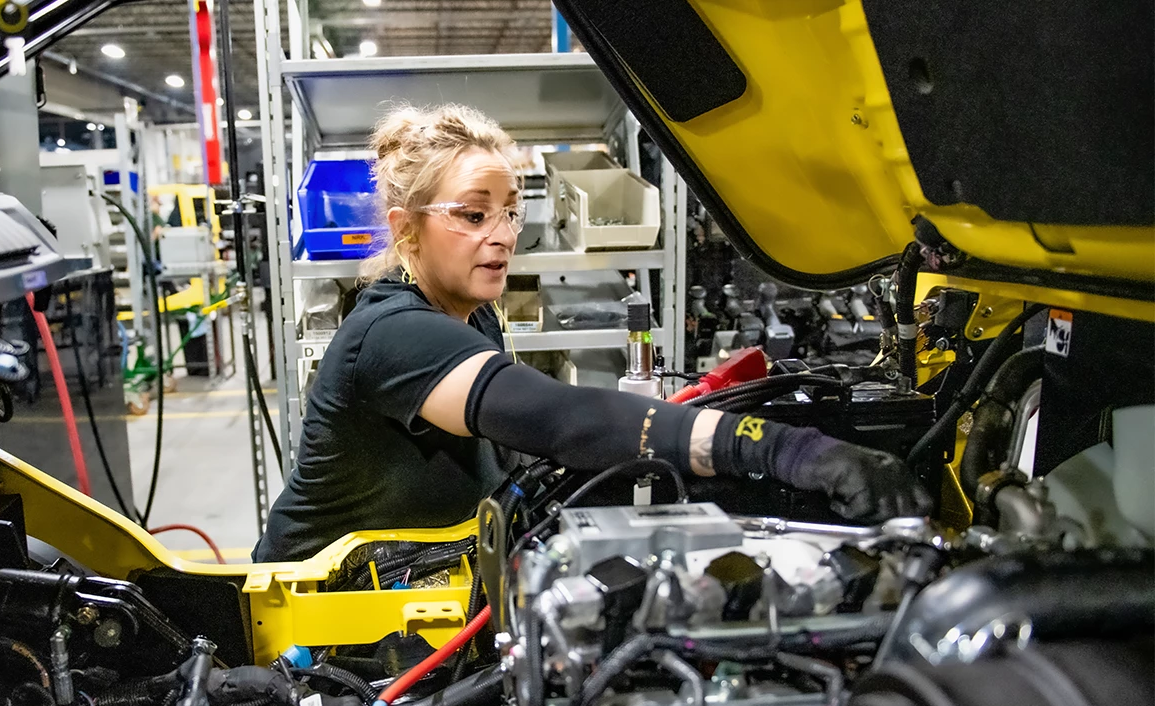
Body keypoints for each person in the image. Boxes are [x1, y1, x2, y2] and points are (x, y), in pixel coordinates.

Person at [253, 105, 930, 562]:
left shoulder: (475, 312)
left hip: (423, 569)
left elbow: (515, 449)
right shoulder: (392, 334)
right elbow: (560, 418)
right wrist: (787, 450)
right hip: (322, 608)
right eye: (472, 214)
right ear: (406, 228)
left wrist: (672, 423)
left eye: (512, 213)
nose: (502, 237)